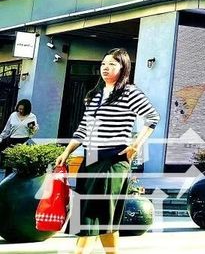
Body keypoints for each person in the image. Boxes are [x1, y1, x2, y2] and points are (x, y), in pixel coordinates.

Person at [55, 49, 160, 254]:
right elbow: (84, 128)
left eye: (112, 64)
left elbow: (152, 117)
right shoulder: (93, 96)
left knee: (90, 217)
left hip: (113, 161)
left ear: (123, 68)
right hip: (90, 160)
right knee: (103, 218)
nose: (106, 68)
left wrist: (136, 145)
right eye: (104, 63)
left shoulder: (130, 92)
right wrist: (67, 152)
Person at [0, 99, 37, 174]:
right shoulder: (13, 115)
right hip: (12, 140)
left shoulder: (32, 116)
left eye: (22, 109)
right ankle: (8, 177)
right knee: (9, 163)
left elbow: (34, 130)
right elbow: (7, 129)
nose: (20, 111)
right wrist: (1, 138)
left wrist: (32, 128)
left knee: (22, 164)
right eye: (19, 109)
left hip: (24, 141)